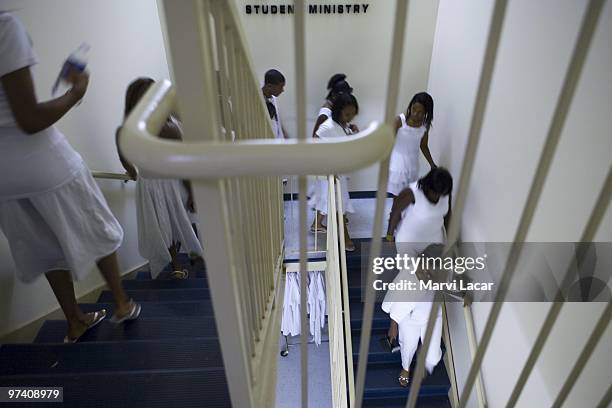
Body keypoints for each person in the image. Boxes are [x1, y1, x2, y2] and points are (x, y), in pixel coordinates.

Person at [0, 12, 140, 343]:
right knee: (97, 225)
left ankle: (75, 320)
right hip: (41, 160)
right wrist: (77, 91)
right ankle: (121, 303)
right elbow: (30, 119)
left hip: (4, 177)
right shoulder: (5, 26)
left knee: (43, 244)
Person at [116, 78, 203, 279]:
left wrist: (136, 173)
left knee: (171, 224)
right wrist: (191, 192)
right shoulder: (163, 127)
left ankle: (183, 262)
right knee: (174, 224)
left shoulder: (131, 130)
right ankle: (185, 262)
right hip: (161, 183)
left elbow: (124, 158)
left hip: (158, 183)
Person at [382, 167, 452, 387]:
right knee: (409, 281)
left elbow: (445, 216)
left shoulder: (443, 195)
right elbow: (395, 212)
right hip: (410, 245)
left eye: (442, 194)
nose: (437, 197)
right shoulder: (412, 193)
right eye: (435, 193)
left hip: (432, 247)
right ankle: (405, 363)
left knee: (419, 282)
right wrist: (390, 235)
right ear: (428, 185)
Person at [308, 93, 359, 251]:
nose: (350, 117)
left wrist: (353, 132)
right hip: (331, 173)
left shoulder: (343, 125)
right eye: (347, 114)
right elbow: (315, 142)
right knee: (338, 207)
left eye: (353, 114)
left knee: (334, 204)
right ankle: (345, 238)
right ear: (338, 111)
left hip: (339, 172)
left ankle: (317, 225)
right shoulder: (327, 126)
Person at [386, 92, 437, 240]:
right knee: (397, 201)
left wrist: (432, 164)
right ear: (410, 107)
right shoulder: (399, 121)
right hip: (398, 167)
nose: (416, 114)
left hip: (413, 168)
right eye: (414, 109)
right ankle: (390, 234)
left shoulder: (425, 126)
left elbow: (424, 146)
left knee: (409, 201)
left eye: (421, 112)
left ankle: (402, 229)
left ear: (427, 113)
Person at [261, 69, 288, 139]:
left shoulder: (273, 99)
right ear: (269, 86)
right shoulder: (258, 100)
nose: (282, 90)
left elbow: (277, 120)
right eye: (280, 87)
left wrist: (284, 133)